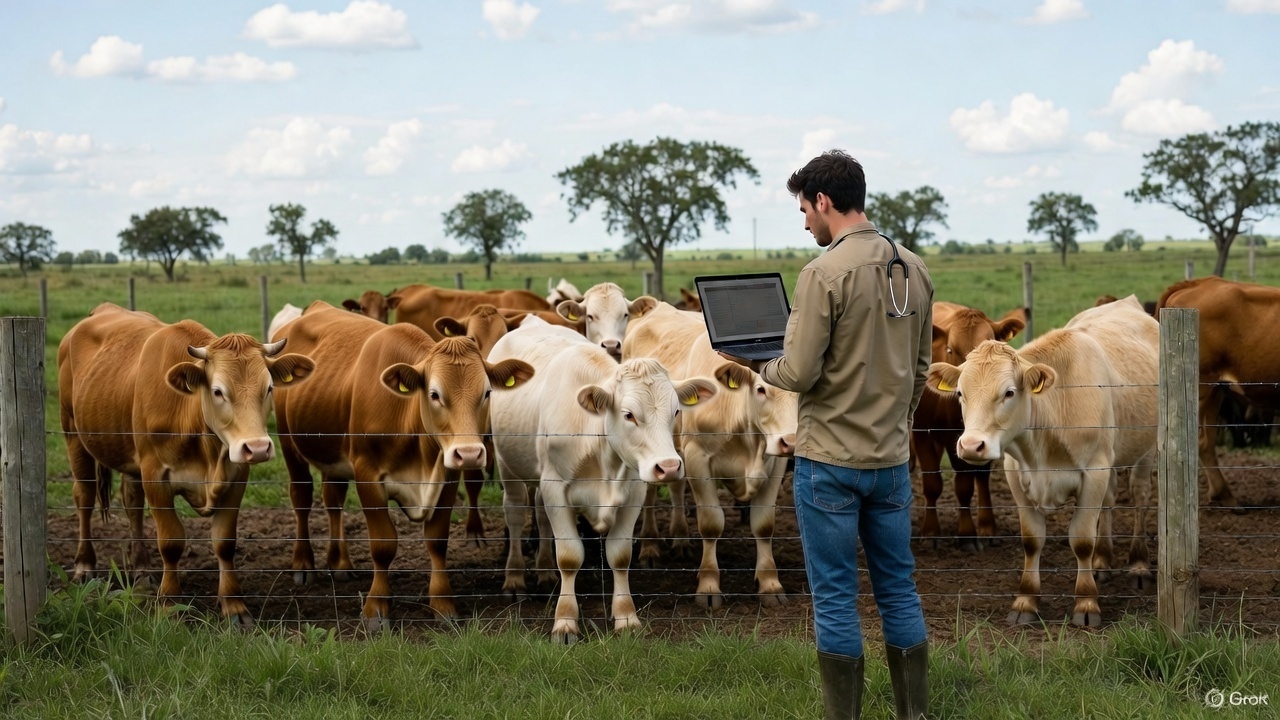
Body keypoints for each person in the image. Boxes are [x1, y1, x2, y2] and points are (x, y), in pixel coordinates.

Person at [719, 150, 932, 719]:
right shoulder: (913, 267)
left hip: (829, 465)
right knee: (899, 590)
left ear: (824, 201)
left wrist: (751, 363)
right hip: (889, 461)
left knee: (835, 597)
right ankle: (914, 713)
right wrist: (898, 424)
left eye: (804, 208)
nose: (804, 220)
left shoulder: (822, 273)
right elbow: (920, 370)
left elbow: (800, 372)